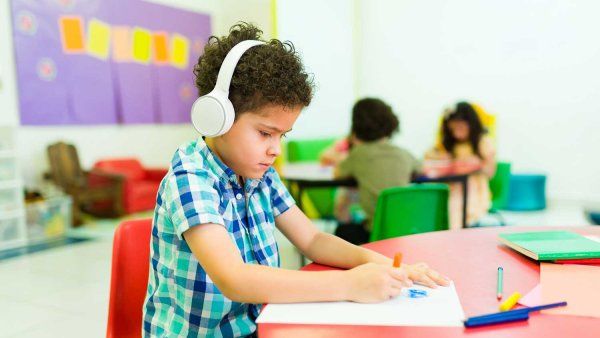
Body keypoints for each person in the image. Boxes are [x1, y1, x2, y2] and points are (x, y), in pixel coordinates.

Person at [142, 23, 449, 337]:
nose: (275, 149)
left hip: (258, 327)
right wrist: (348, 284)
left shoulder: (261, 175)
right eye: (265, 133)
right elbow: (234, 279)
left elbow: (313, 241)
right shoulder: (190, 178)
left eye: (282, 135)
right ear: (217, 117)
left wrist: (384, 265)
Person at [334, 98, 422, 244]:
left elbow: (337, 173)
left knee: (342, 231)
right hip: (407, 230)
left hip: (375, 233)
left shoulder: (358, 154)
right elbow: (421, 168)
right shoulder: (403, 153)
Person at [426, 101, 496, 229]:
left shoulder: (482, 142)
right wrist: (442, 159)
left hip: (473, 191)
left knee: (456, 207)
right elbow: (429, 159)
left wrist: (478, 164)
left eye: (461, 124)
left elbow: (490, 172)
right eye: (453, 125)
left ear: (471, 124)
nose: (457, 128)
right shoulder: (447, 145)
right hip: (449, 189)